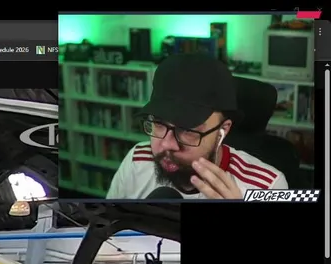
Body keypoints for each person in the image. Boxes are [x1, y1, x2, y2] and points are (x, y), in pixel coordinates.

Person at [106, 53, 287, 200]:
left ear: (222, 131)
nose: (167, 144)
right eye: (159, 124)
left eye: (187, 129)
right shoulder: (137, 161)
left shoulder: (268, 186)